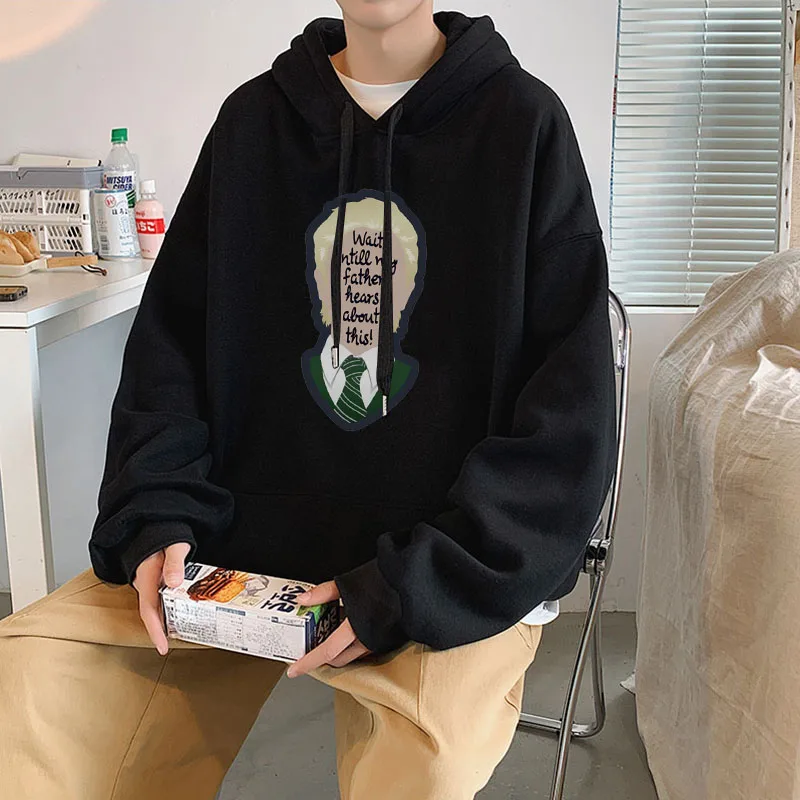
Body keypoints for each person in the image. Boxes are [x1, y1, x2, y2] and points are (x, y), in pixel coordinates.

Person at [0, 1, 617, 798]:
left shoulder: (524, 125)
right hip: (233, 553)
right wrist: (155, 512)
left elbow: (568, 416)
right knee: (31, 686)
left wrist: (412, 586)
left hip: (432, 571)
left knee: (422, 770)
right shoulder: (252, 123)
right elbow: (170, 355)